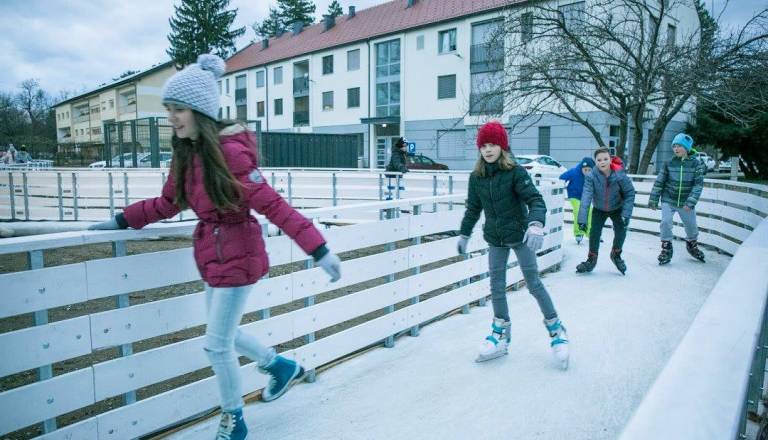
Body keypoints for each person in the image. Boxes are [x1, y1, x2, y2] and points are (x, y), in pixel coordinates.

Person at [87, 54, 342, 440]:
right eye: (168, 109)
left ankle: (233, 420)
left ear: (200, 112)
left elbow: (274, 205)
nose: (172, 117)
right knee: (224, 335)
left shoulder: (232, 155)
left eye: (178, 110)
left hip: (239, 254)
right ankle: (280, 367)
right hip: (213, 255)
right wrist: (122, 220)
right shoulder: (186, 154)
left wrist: (320, 250)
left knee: (215, 345)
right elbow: (167, 203)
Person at [457, 121, 569, 370]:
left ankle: (556, 329)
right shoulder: (476, 177)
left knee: (533, 283)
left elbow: (536, 200)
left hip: (521, 235)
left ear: (502, 146)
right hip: (495, 238)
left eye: (493, 144)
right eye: (483, 145)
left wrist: (536, 224)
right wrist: (464, 234)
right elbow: (473, 208)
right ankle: (500, 334)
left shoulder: (516, 172)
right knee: (496, 286)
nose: (488, 149)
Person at [576, 148, 636, 275]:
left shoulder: (619, 174)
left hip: (617, 208)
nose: (602, 162)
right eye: (599, 160)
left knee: (621, 230)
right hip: (599, 209)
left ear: (610, 159)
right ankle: (592, 259)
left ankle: (616, 254)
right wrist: (582, 220)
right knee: (594, 233)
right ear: (595, 162)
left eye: (605, 159)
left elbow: (630, 193)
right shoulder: (591, 176)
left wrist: (626, 214)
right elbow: (586, 197)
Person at [648, 133, 706, 264]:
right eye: (674, 146)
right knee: (665, 222)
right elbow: (659, 182)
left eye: (679, 146)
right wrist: (653, 199)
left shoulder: (696, 164)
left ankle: (692, 244)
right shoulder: (669, 163)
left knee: (691, 226)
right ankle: (666, 247)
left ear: (687, 148)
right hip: (668, 199)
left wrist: (690, 202)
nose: (676, 149)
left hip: (686, 202)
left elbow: (698, 185)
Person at [559, 157, 596, 244]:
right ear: (581, 168)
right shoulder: (574, 172)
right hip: (574, 196)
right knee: (578, 210)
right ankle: (579, 232)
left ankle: (590, 232)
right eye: (585, 169)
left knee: (590, 211)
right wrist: (562, 183)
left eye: (589, 170)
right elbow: (562, 177)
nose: (586, 172)